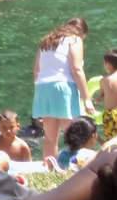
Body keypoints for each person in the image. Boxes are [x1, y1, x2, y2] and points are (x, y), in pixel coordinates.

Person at [32, 18, 95, 152]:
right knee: (73, 134)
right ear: (82, 32)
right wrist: (87, 99)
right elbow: (76, 69)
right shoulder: (74, 40)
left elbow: (37, 70)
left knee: (50, 138)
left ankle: (50, 168)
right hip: (63, 87)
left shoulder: (46, 41)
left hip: (42, 88)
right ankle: (73, 166)